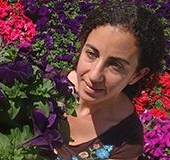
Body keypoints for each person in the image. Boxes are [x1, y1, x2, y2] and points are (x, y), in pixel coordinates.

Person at [54, 1, 166, 160]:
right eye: (92, 54)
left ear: (137, 75)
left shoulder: (127, 142)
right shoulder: (50, 86)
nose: (94, 75)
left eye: (115, 65)